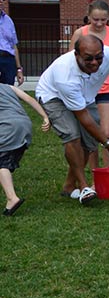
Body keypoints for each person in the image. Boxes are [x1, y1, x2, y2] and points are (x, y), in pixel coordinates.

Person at [34, 35, 109, 203]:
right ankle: (84, 187)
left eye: (98, 57)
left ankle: (68, 186)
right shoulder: (65, 74)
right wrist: (108, 144)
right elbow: (84, 119)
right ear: (76, 55)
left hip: (84, 98)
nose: (95, 62)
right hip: (53, 96)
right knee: (72, 136)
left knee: (89, 143)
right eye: (88, 58)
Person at [68, 0, 109, 168]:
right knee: (91, 134)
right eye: (95, 19)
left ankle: (108, 170)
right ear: (89, 17)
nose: (100, 23)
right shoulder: (80, 33)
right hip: (86, 89)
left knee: (106, 133)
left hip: (108, 87)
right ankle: (95, 174)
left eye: (103, 20)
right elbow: (70, 60)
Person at [0, 82, 50, 216]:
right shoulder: (8, 87)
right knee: (7, 161)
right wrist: (45, 116)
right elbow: (29, 99)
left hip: (8, 127)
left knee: (2, 163)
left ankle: (12, 198)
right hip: (25, 125)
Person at [0, 0, 23, 86]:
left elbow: (14, 46)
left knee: (8, 91)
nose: (1, 1)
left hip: (8, 60)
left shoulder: (8, 21)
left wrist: (19, 69)